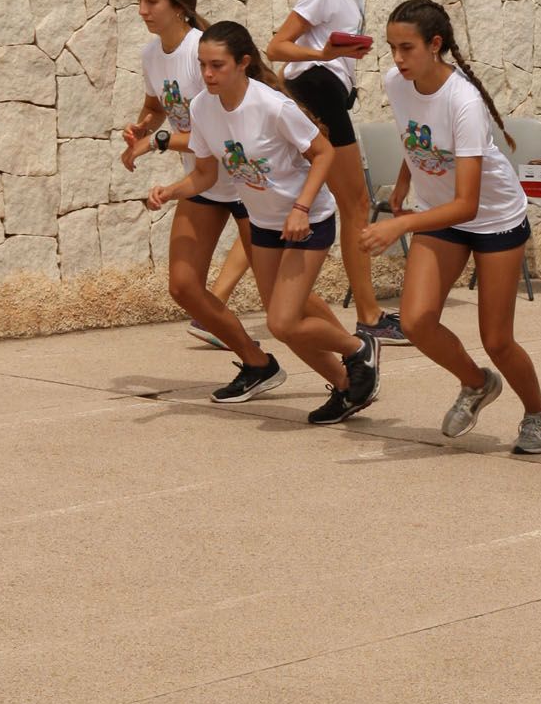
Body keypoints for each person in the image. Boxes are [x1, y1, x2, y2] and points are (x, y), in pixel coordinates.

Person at [149, 22, 380, 421]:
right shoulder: (203, 107)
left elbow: (323, 154)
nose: (207, 74)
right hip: (264, 225)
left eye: (217, 65)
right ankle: (347, 389)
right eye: (203, 65)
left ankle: (360, 349)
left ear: (243, 64)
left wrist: (301, 208)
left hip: (308, 222)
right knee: (286, 323)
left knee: (282, 321)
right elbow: (205, 174)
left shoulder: (273, 106)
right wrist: (171, 190)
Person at [359, 0, 541, 454]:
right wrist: (408, 178)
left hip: (491, 217)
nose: (396, 59)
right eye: (391, 48)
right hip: (438, 212)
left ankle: (538, 414)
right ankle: (475, 384)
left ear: (435, 45)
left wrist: (399, 227)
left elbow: (467, 204)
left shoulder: (463, 100)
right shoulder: (398, 82)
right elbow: (416, 134)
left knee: (497, 339)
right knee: (415, 321)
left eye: (406, 48)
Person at [265, 0, 406, 346]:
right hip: (316, 86)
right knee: (354, 202)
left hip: (328, 88)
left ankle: (365, 311)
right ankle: (368, 315)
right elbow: (276, 47)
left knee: (347, 202)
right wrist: (324, 55)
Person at [120, 0, 263, 370]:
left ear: (179, 4)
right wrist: (144, 126)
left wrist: (157, 141)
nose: (143, 11)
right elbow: (156, 106)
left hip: (246, 186)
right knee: (184, 287)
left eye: (152, 1)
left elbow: (220, 134)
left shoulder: (202, 54)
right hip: (204, 181)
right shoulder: (152, 55)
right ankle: (256, 363)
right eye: (140, 1)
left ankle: (354, 354)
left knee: (283, 299)